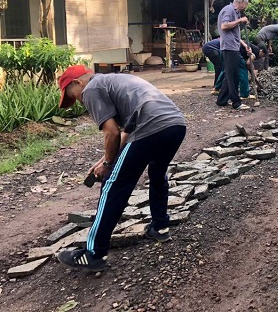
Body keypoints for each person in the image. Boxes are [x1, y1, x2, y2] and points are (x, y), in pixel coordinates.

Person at [55, 65, 186, 272]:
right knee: (157, 174)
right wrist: (104, 160)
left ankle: (94, 254)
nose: (79, 101)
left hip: (150, 128)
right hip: (175, 125)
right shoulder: (115, 81)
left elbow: (112, 132)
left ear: (77, 83)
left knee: (113, 186)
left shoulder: (91, 88)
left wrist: (108, 165)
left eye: (74, 96)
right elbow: (126, 133)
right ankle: (160, 227)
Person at [216, 0, 250, 111]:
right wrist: (240, 21)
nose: (246, 6)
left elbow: (234, 30)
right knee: (233, 75)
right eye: (246, 3)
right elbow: (224, 26)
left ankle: (221, 100)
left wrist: (243, 44)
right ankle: (236, 102)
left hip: (233, 46)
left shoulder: (236, 13)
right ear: (241, 2)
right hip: (229, 47)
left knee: (229, 75)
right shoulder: (229, 10)